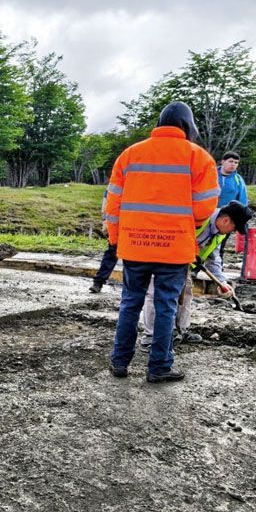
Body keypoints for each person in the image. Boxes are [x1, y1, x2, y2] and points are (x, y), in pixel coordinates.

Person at [105, 101, 219, 383]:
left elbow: (113, 203)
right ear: (187, 127)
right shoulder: (198, 157)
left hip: (135, 245)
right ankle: (159, 367)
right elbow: (205, 207)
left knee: (130, 303)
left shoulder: (130, 154)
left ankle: (119, 362)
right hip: (174, 248)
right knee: (166, 305)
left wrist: (116, 237)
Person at [139, 201, 253, 349]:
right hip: (162, 256)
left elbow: (214, 258)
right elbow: (171, 233)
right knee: (155, 293)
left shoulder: (219, 233)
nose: (232, 232)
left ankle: (179, 331)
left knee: (186, 292)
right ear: (225, 220)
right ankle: (150, 336)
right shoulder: (199, 217)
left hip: (184, 264)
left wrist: (222, 282)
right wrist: (187, 251)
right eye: (234, 228)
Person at [216, 151, 249, 262]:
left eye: (236, 162)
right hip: (207, 215)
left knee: (221, 244)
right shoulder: (211, 174)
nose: (233, 164)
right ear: (223, 161)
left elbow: (243, 200)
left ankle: (218, 267)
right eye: (231, 161)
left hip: (227, 218)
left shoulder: (238, 180)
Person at [90, 189, 118, 293]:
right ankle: (98, 282)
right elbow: (106, 206)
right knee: (111, 253)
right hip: (117, 227)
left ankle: (98, 282)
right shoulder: (113, 187)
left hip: (130, 226)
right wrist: (105, 223)